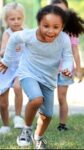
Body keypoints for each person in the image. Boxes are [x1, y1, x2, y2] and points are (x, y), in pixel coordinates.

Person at [0, 5, 73, 149]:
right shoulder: (29, 35)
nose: (50, 31)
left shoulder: (64, 39)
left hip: (48, 78)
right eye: (46, 26)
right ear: (39, 23)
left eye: (56, 27)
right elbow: (14, 38)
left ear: (62, 27)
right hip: (28, 73)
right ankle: (26, 129)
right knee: (36, 98)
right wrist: (7, 61)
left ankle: (38, 137)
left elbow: (67, 57)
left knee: (47, 114)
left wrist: (66, 68)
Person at [51, 0, 84, 131]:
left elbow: (75, 52)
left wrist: (79, 69)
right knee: (42, 97)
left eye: (61, 10)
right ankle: (42, 121)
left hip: (65, 70)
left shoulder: (71, 32)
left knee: (61, 97)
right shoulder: (47, 27)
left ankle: (62, 125)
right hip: (48, 69)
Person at [0, 2, 25, 134]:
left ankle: (17, 116)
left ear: (23, 18)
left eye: (18, 18)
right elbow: (3, 50)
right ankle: (5, 125)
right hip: (6, 67)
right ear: (6, 20)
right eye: (12, 19)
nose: (16, 22)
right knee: (3, 102)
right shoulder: (7, 34)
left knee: (17, 87)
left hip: (21, 68)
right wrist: (7, 49)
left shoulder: (26, 33)